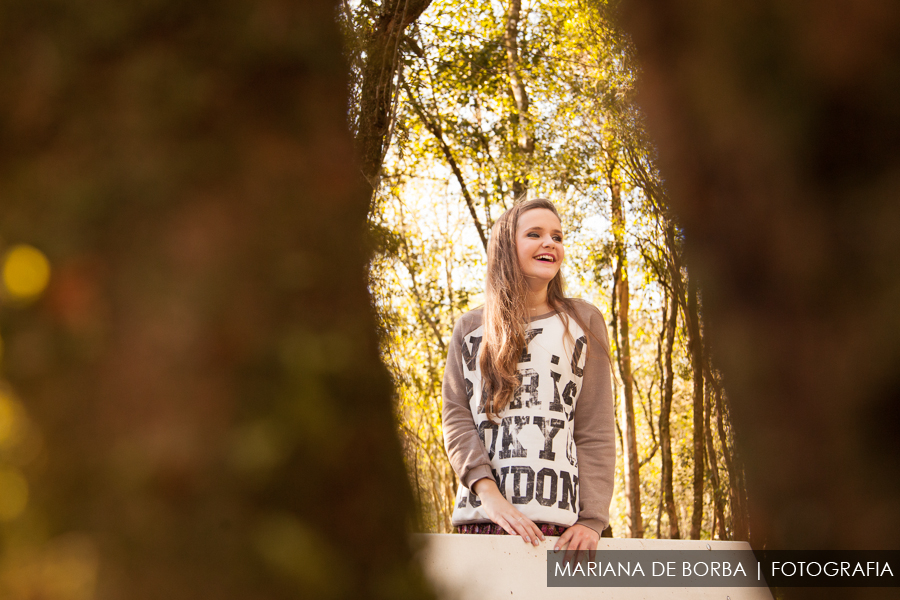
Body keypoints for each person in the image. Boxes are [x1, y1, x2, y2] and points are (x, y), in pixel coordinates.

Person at [442, 198, 615, 556]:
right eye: (534, 234)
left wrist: (592, 520)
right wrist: (488, 494)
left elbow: (595, 429)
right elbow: (456, 417)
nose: (550, 243)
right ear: (507, 246)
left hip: (560, 529)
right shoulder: (470, 328)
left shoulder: (584, 322)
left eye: (557, 236)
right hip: (482, 521)